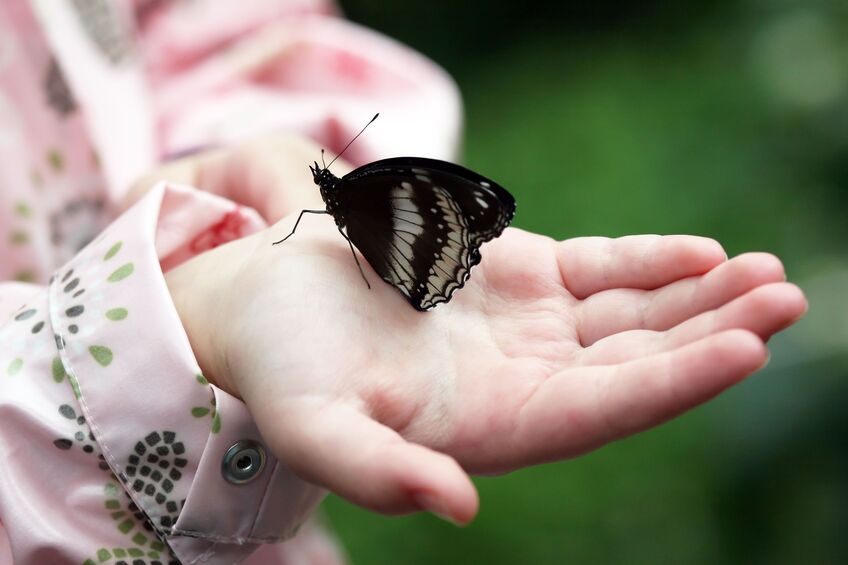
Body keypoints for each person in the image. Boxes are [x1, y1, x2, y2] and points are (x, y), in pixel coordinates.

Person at [0, 1, 808, 563]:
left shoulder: (356, 196)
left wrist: (233, 176)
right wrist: (185, 319)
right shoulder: (353, 209)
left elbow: (216, 25)